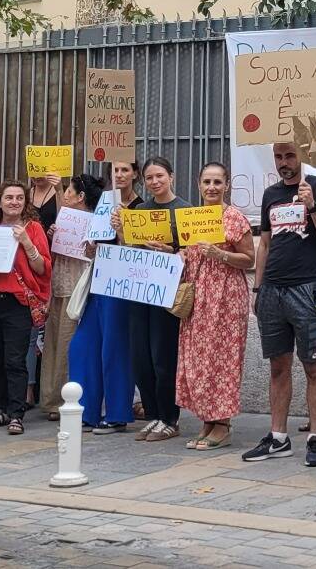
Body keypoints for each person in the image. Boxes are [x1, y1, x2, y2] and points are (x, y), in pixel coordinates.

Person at [243, 142, 316, 467]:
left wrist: (312, 206)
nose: (284, 163)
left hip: (308, 290)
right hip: (272, 290)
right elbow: (265, 244)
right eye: (278, 157)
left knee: (314, 365)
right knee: (277, 366)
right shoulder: (271, 194)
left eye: (289, 156)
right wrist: (257, 288)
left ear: (302, 156)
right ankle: (278, 437)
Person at [176, 162, 257, 451]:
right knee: (200, 358)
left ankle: (222, 424)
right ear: (199, 185)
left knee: (222, 357)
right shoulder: (193, 217)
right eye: (207, 182)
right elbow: (190, 253)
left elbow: (250, 259)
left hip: (225, 298)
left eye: (217, 182)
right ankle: (208, 420)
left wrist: (220, 253)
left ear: (227, 186)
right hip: (198, 297)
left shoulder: (234, 217)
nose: (212, 187)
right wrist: (179, 254)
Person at [0, 181, 52, 435]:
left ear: (25, 203)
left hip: (17, 304)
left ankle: (17, 413)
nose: (14, 202)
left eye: (19, 198)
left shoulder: (34, 228)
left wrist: (27, 242)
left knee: (16, 360)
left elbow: (43, 269)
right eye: (9, 198)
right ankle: (5, 409)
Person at [64, 173, 134, 434]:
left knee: (114, 348)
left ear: (135, 174)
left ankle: (116, 414)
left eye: (125, 170)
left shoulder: (139, 206)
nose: (120, 174)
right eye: (116, 171)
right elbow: (94, 247)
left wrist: (123, 230)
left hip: (121, 283)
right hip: (98, 279)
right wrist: (91, 247)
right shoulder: (105, 204)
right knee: (82, 345)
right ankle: (85, 410)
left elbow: (140, 245)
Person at [125, 157, 189, 442]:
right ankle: (152, 415)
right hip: (141, 288)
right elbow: (129, 246)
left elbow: (193, 252)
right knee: (141, 356)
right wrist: (119, 227)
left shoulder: (185, 210)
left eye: (160, 176)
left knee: (164, 356)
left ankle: (169, 417)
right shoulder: (139, 209)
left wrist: (170, 250)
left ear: (171, 176)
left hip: (168, 290)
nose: (155, 182)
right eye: (149, 178)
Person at [38, 173, 99, 418]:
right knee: (53, 342)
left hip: (79, 288)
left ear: (80, 197)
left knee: (68, 344)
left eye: (68, 192)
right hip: (59, 285)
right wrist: (53, 236)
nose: (64, 196)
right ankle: (51, 398)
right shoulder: (62, 221)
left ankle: (67, 398)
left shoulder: (95, 222)